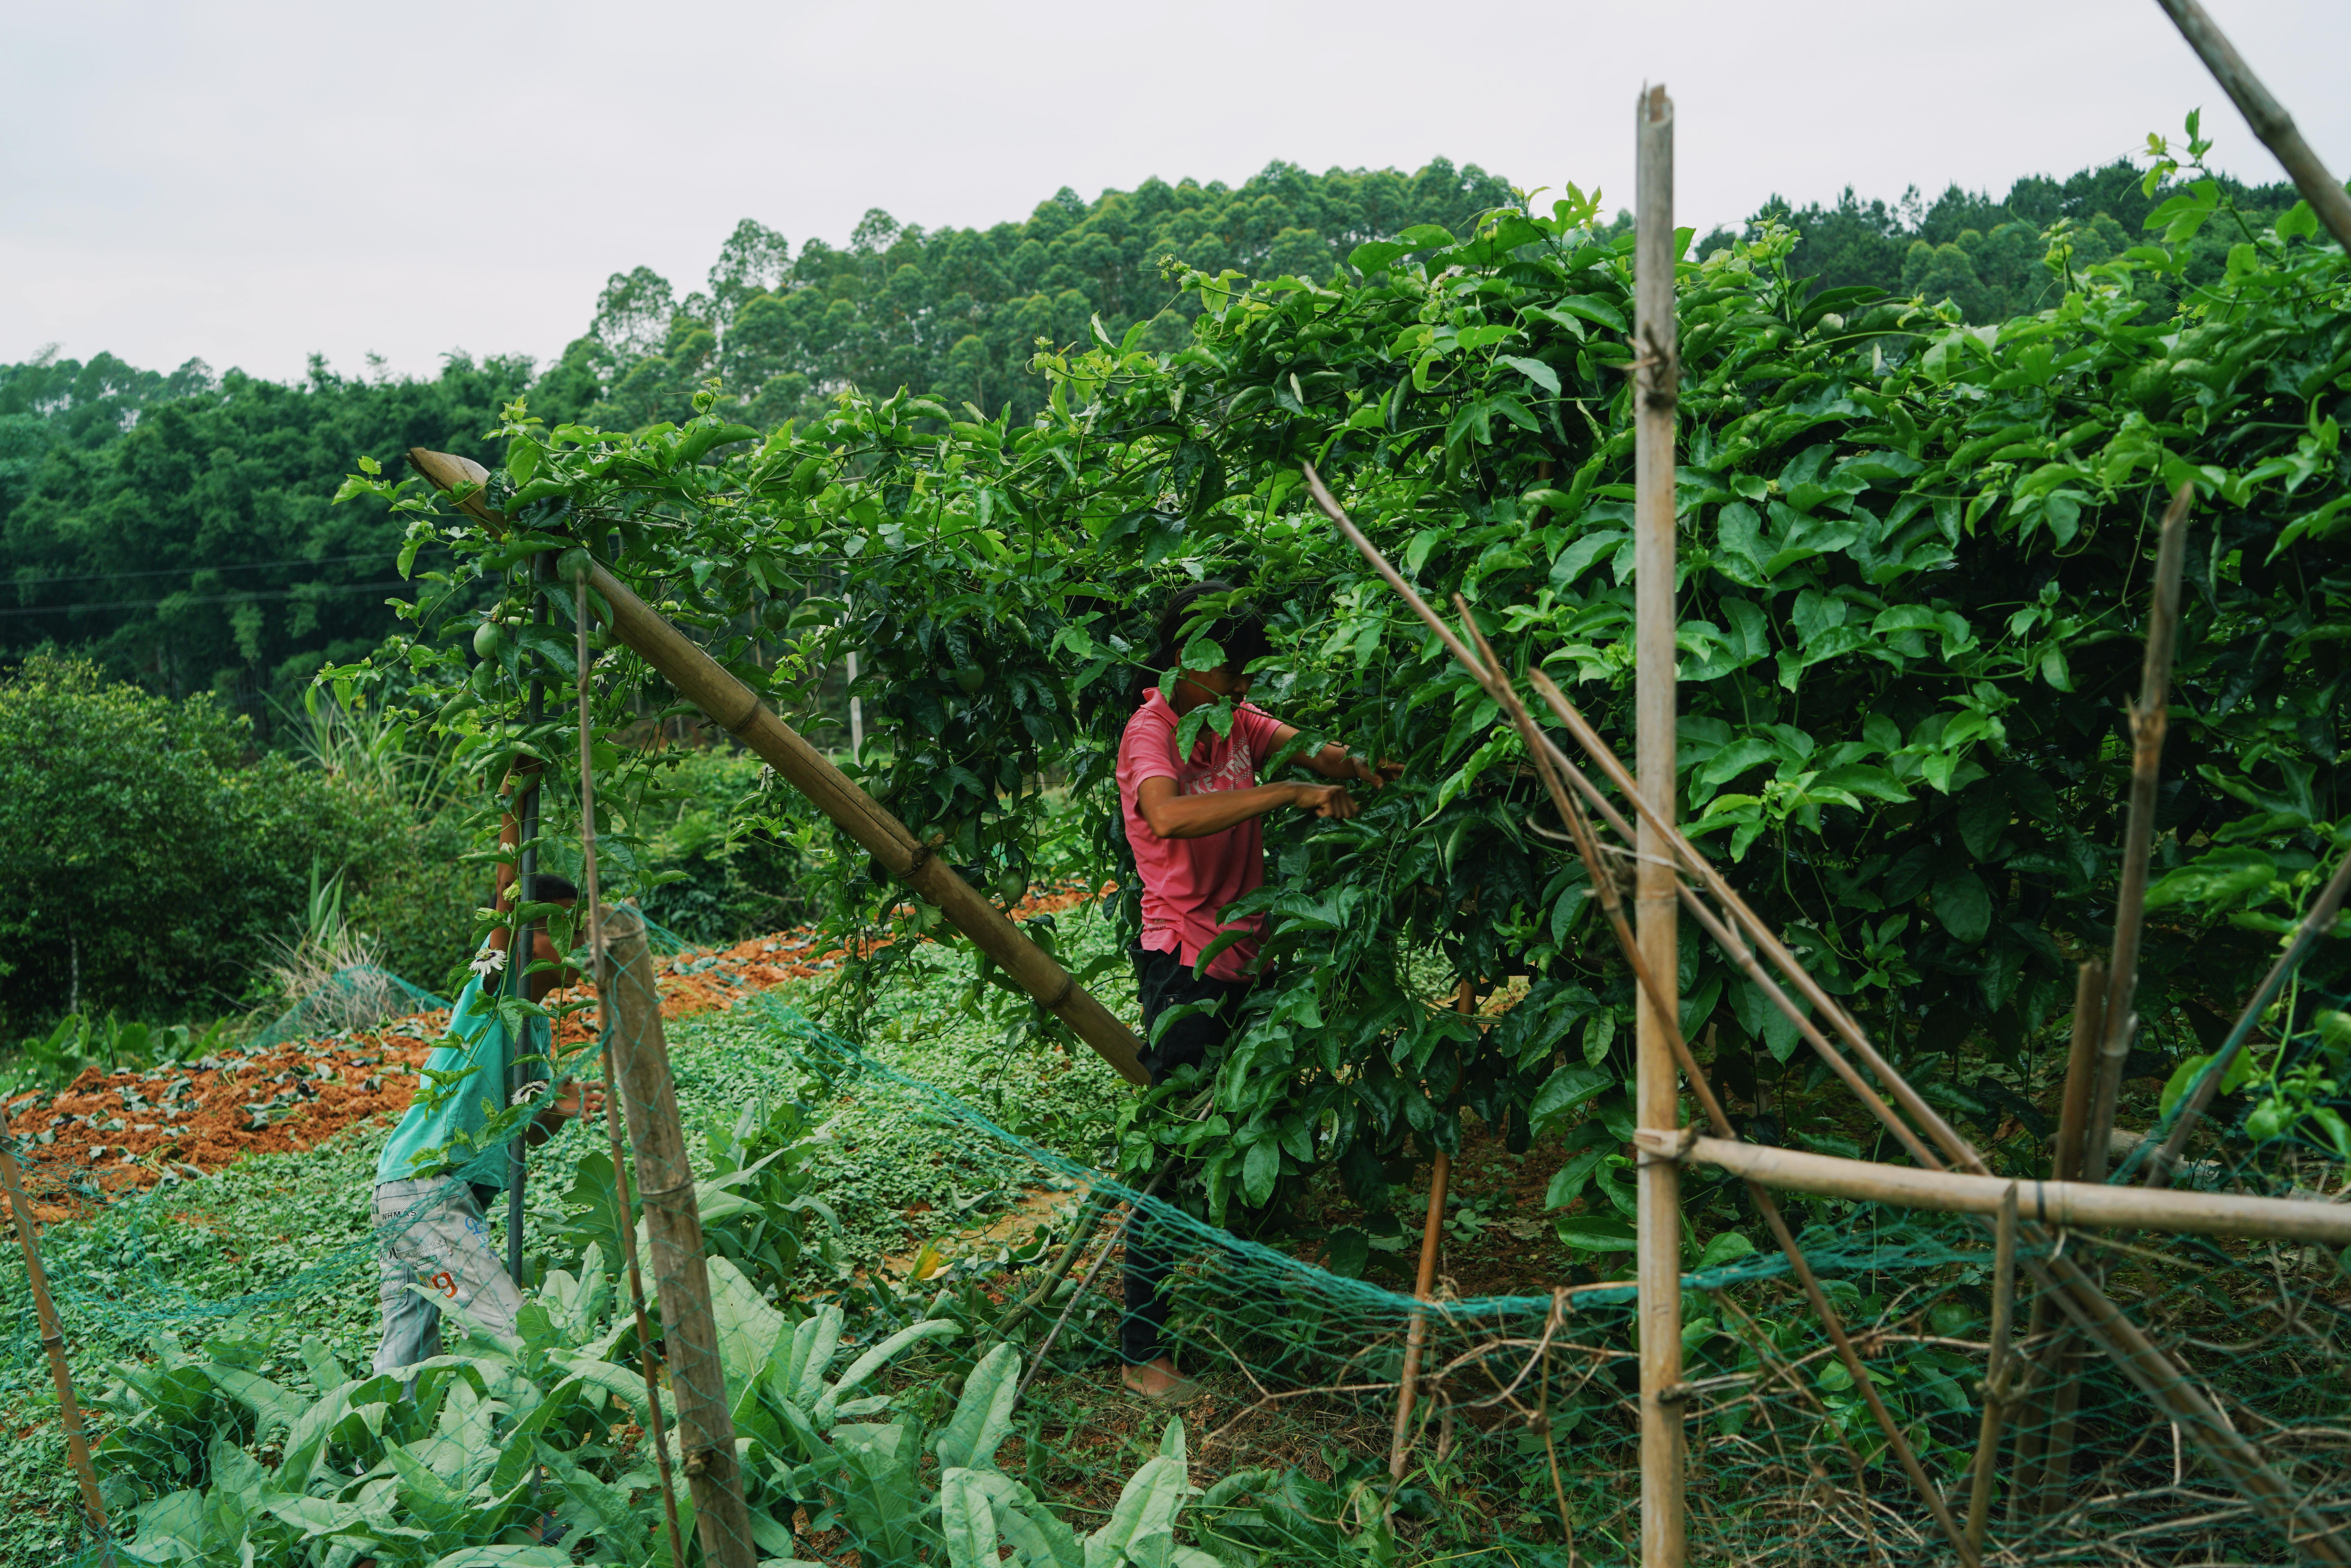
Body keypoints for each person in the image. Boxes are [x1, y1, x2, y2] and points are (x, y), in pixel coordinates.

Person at [1113, 579, 1396, 1400]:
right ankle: (1143, 1352)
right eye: (1232, 671)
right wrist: (1287, 792)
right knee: (1169, 1155)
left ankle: (1250, 1312)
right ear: (1188, 659)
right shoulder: (1152, 731)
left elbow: (1320, 754)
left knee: (1250, 1135)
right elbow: (1167, 818)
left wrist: (1382, 765)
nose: (1243, 688)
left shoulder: (1235, 723)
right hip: (1184, 964)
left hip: (1248, 957)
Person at [370, 860, 596, 1384]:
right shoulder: (491, 994)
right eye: (557, 927)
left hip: (415, 1193)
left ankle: (376, 1449)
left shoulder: (534, 1031)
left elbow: (529, 1132)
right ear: (519, 934)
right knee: (511, 1330)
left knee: (407, 1350)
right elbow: (507, 890)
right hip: (429, 1190)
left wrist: (557, 1111)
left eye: (578, 928)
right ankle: (525, 1436)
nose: (574, 941)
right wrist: (514, 795)